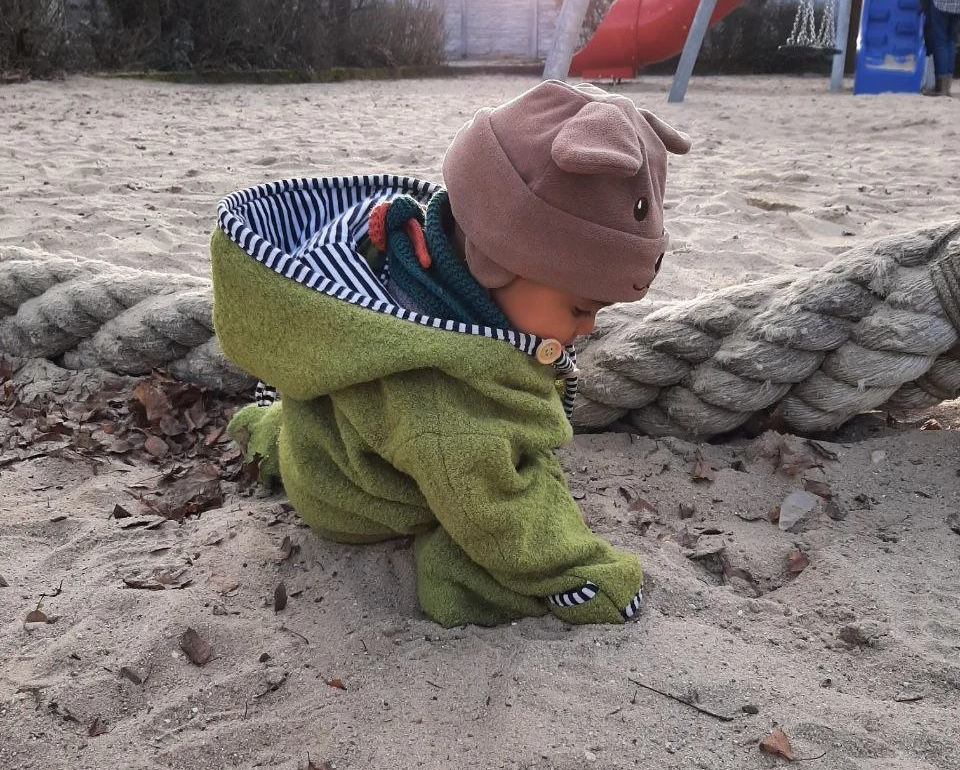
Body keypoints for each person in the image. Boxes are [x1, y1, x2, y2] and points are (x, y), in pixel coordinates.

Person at [211, 81, 690, 628]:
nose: (587, 329)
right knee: (465, 523)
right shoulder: (443, 402)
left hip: (323, 438)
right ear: (495, 262)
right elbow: (494, 510)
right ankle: (453, 575)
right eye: (581, 309)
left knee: (302, 437)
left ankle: (266, 432)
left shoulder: (428, 265)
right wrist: (574, 568)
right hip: (352, 501)